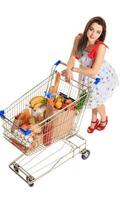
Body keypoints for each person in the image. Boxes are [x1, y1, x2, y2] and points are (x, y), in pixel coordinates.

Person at [62, 16, 119, 133]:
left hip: (100, 77)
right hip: (85, 75)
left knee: (97, 101)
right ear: (87, 28)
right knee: (90, 98)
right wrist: (68, 69)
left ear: (101, 34)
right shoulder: (79, 39)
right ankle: (94, 119)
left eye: (98, 32)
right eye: (91, 29)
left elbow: (94, 71)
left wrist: (73, 70)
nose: (93, 34)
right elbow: (72, 56)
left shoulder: (101, 47)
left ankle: (103, 119)